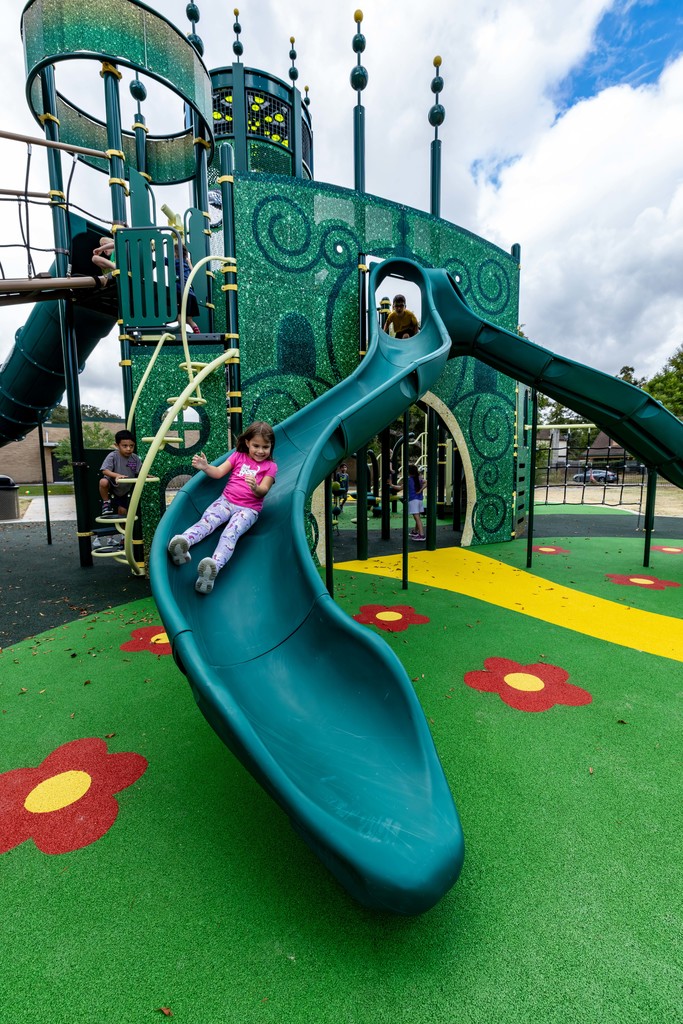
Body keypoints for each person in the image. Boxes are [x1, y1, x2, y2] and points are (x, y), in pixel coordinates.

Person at [167, 421, 277, 595]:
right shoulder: (238, 456)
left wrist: (255, 487)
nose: (260, 451)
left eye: (266, 447)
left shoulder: (270, 467)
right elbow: (218, 473)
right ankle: (184, 543)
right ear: (247, 442)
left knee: (230, 534)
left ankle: (212, 568)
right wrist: (205, 467)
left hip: (248, 510)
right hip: (225, 501)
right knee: (207, 521)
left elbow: (263, 491)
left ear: (271, 446)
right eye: (256, 445)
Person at [99, 429, 142, 519]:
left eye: (131, 446)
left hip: (124, 489)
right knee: (103, 482)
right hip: (112, 485)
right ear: (117, 445)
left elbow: (139, 471)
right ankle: (106, 502)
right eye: (125, 446)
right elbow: (105, 471)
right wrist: (117, 475)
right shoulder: (113, 456)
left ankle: (124, 533)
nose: (128, 449)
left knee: (123, 512)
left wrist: (146, 475)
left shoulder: (135, 458)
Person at [174, 241, 201, 333]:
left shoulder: (176, 261)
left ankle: (182, 333)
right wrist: (189, 263)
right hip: (190, 293)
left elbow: (164, 260)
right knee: (189, 319)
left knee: (180, 315)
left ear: (176, 252)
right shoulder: (185, 262)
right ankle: (197, 331)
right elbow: (193, 271)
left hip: (180, 291)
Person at [407, 464, 425, 540]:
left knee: (417, 518)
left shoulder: (409, 480)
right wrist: (420, 490)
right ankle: (415, 531)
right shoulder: (419, 478)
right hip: (420, 500)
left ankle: (421, 535)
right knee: (418, 517)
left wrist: (391, 484)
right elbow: (426, 482)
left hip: (413, 500)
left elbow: (400, 488)